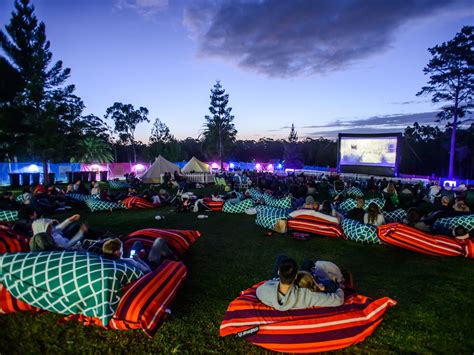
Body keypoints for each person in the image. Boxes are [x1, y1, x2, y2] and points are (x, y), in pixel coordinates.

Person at [256, 257, 344, 311]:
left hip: (280, 283)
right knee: (307, 262)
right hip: (303, 288)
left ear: (279, 272)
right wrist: (336, 289)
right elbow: (338, 300)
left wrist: (276, 280)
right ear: (295, 277)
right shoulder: (307, 294)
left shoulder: (264, 291)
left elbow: (260, 288)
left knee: (281, 257)